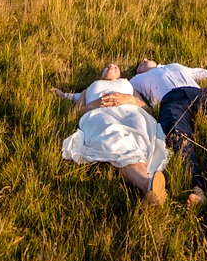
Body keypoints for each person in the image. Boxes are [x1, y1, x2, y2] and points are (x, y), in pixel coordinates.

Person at [128, 58, 207, 209]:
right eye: (140, 63)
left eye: (146, 59)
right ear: (138, 71)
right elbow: (123, 90)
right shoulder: (136, 80)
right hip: (170, 100)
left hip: (198, 93)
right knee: (178, 136)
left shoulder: (175, 65)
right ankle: (198, 188)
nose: (144, 59)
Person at [53, 62, 169, 205]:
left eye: (115, 67)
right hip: (100, 114)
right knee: (117, 137)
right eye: (107, 66)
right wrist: (94, 104)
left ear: (120, 75)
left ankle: (149, 186)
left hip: (130, 112)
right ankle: (147, 184)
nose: (111, 66)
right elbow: (76, 112)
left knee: (137, 134)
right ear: (101, 74)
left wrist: (130, 99)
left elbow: (147, 109)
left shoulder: (128, 86)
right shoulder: (88, 89)